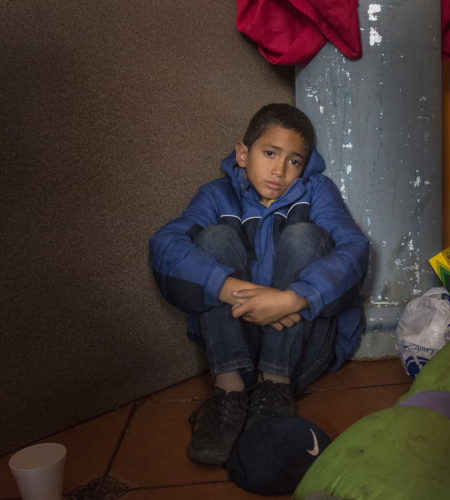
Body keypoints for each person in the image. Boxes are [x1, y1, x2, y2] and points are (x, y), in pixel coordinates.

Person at [149, 103, 369, 465]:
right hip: (234, 350)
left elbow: (354, 249)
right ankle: (229, 392)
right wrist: (231, 290)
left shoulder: (316, 191)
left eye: (294, 160)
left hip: (301, 354)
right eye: (270, 153)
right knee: (213, 239)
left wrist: (293, 299)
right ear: (242, 153)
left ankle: (275, 389)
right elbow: (164, 246)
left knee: (303, 236)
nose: (280, 170)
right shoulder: (216, 195)